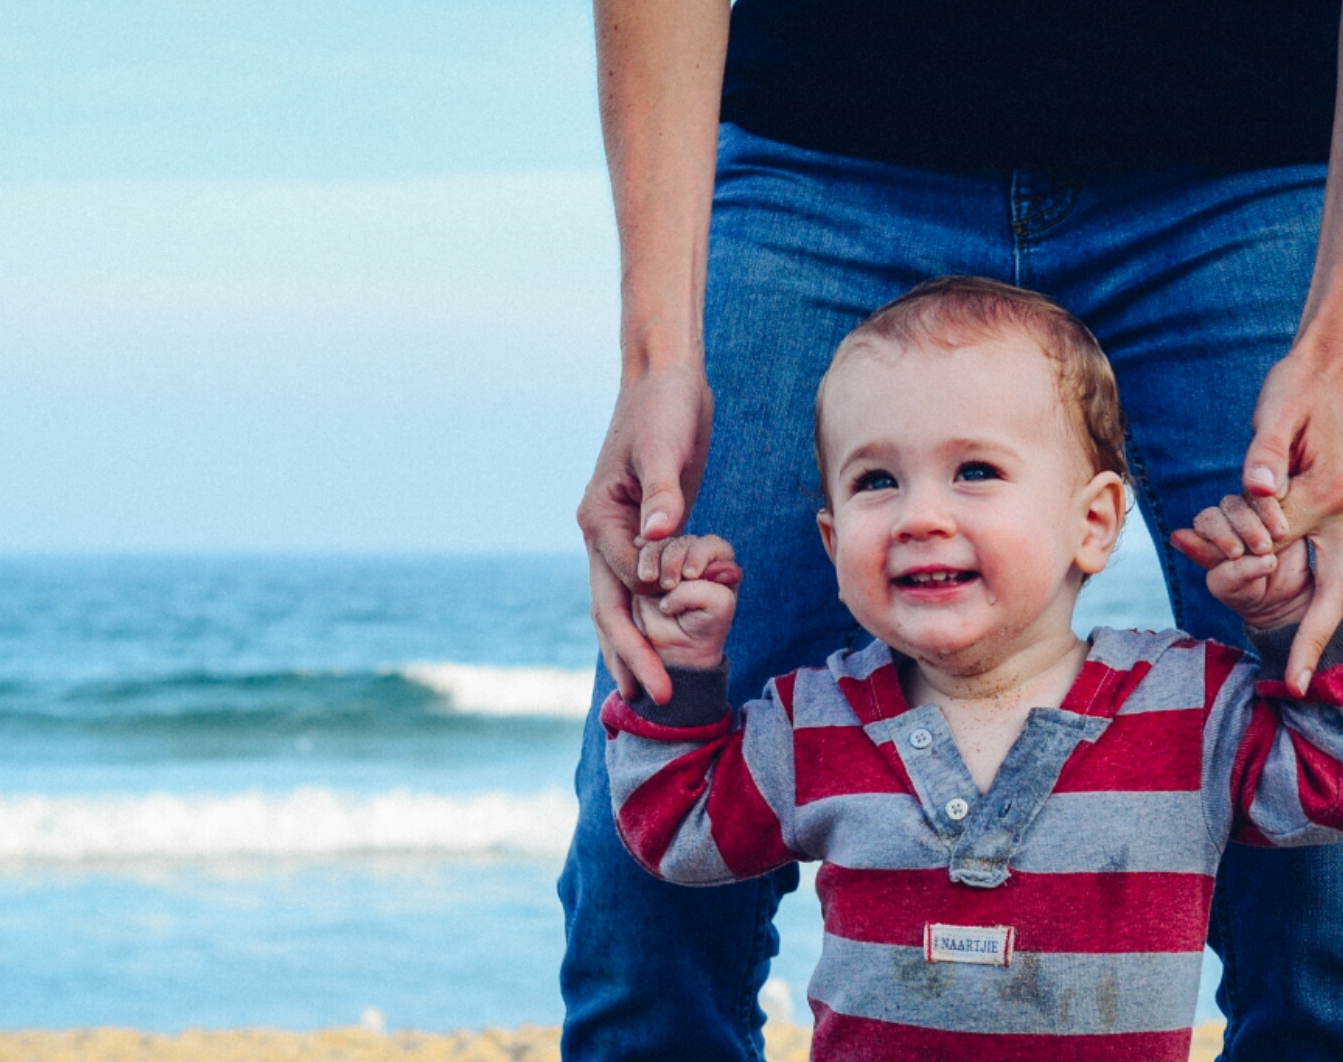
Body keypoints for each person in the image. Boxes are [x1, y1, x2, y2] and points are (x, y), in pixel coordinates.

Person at [563, 3, 1343, 1059]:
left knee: (1327, 906)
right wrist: (658, 363)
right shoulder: (807, 728)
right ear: (832, 532)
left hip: (1254, 148)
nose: (923, 515)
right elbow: (674, 825)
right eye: (877, 485)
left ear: (1095, 521)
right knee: (635, 915)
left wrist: (1295, 620)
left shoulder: (1187, 716)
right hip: (821, 148)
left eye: (974, 474)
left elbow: (1324, 777)